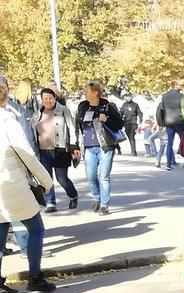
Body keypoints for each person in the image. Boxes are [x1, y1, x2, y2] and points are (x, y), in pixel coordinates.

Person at [0, 76, 56, 293]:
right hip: (11, 184)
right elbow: (27, 155)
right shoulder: (7, 121)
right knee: (36, 228)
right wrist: (46, 181)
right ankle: (35, 277)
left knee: (0, 233)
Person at [75, 80, 123, 215]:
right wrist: (76, 145)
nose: (84, 93)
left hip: (105, 146)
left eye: (87, 91)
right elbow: (78, 125)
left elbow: (119, 124)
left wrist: (107, 119)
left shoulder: (107, 106)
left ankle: (104, 205)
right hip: (89, 146)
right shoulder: (83, 106)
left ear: (95, 92)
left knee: (104, 176)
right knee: (91, 177)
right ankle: (97, 197)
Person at [34, 87, 79, 212]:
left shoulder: (63, 110)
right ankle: (51, 203)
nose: (48, 101)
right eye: (45, 99)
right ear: (41, 100)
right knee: (46, 179)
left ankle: (73, 195)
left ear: (55, 98)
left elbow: (72, 128)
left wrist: (74, 146)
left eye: (50, 98)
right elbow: (33, 131)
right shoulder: (38, 113)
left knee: (62, 179)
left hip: (60, 150)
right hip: (43, 151)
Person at [156, 82, 184, 169]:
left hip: (168, 122)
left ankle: (168, 164)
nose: (181, 86)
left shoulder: (164, 96)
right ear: (175, 86)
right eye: (180, 85)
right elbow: (183, 109)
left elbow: (161, 110)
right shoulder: (181, 96)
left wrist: (161, 123)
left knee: (169, 143)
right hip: (180, 122)